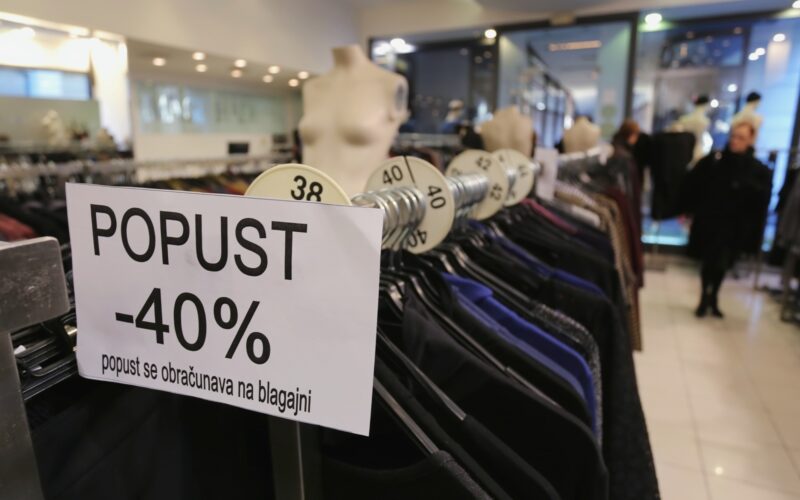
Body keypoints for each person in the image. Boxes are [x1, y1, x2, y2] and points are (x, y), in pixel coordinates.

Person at [681, 122, 772, 318]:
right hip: (711, 222)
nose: (735, 141)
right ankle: (704, 297)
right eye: (733, 136)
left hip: (735, 227)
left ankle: (714, 296)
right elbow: (694, 186)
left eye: (741, 137)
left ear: (751, 140)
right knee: (708, 261)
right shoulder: (715, 161)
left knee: (722, 263)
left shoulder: (757, 169)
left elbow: (759, 202)